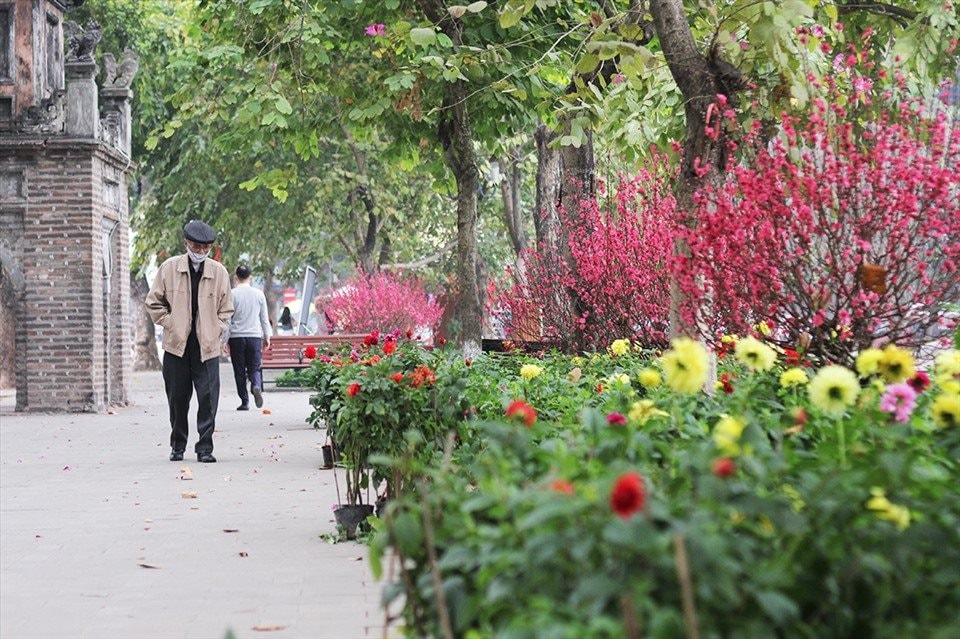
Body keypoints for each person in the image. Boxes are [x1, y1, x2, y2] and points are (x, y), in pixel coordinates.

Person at [145, 220, 233, 463]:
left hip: (207, 346)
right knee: (177, 399)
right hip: (177, 346)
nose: (201, 252)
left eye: (206, 248)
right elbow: (153, 302)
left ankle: (205, 448)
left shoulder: (219, 272)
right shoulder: (169, 268)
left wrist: (218, 327)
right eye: (196, 246)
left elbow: (227, 308)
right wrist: (170, 322)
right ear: (186, 243)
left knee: (208, 399)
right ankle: (178, 445)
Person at [224, 265, 271, 410]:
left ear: (236, 277)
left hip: (236, 337)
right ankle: (256, 385)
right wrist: (267, 337)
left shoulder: (231, 294)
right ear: (250, 277)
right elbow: (264, 318)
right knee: (254, 368)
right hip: (254, 336)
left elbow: (228, 320)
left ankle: (244, 402)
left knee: (239, 371)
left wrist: (224, 340)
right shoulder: (259, 294)